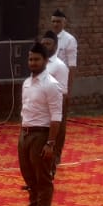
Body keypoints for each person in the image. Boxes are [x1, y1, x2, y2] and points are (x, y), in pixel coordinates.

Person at [12, 42, 63, 206]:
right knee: (29, 178)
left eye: (37, 59)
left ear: (46, 61)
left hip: (41, 135)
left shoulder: (51, 85)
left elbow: (56, 117)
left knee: (43, 179)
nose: (33, 63)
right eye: (30, 59)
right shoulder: (27, 83)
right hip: (25, 134)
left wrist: (50, 143)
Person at [42, 29, 71, 165]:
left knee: (57, 130)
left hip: (55, 104)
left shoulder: (60, 66)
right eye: (44, 43)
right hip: (41, 105)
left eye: (48, 44)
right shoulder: (41, 62)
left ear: (55, 46)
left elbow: (62, 91)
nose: (45, 46)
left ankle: (55, 155)